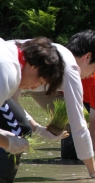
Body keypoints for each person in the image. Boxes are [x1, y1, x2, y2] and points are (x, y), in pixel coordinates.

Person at [11, 30, 95, 179]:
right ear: (87, 57)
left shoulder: (58, 51)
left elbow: (12, 100)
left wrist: (39, 129)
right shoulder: (70, 68)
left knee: (20, 128)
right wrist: (94, 171)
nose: (93, 74)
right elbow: (78, 124)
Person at [0, 37, 65, 182]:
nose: (34, 88)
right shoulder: (8, 71)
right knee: (18, 129)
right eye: (40, 82)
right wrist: (7, 142)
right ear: (34, 67)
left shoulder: (9, 54)